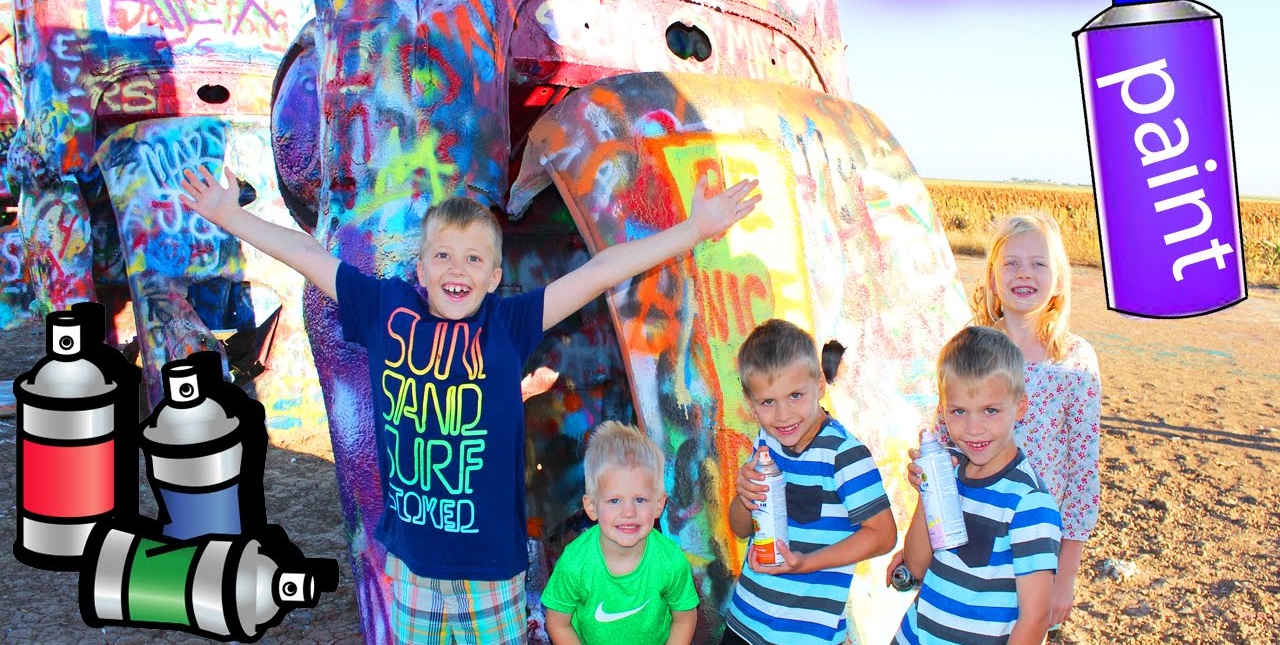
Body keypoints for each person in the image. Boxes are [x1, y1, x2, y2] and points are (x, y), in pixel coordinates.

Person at [179, 164, 759, 644]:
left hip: (491, 573)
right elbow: (306, 255)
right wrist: (229, 215)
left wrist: (693, 229)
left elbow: (602, 270)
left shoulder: (508, 324)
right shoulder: (387, 308)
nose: (458, 269)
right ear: (421, 268)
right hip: (411, 566)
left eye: (474, 259)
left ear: (494, 275)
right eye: (444, 257)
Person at [887, 211, 1101, 631]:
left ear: (1058, 279)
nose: (1025, 273)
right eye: (1012, 263)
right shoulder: (970, 346)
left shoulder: (1075, 362)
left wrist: (1066, 575)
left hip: (1030, 546)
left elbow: (1082, 477)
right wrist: (921, 537)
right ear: (993, 276)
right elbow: (943, 444)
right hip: (966, 528)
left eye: (1039, 263)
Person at [724, 319, 897, 645]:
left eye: (795, 395)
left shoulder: (843, 454)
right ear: (750, 403)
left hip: (805, 635)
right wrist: (744, 494)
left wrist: (808, 563)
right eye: (768, 402)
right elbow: (741, 528)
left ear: (820, 385)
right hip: (745, 619)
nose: (783, 415)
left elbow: (884, 535)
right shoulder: (766, 440)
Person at [893, 326, 1062, 645]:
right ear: (942, 410)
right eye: (959, 411)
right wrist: (927, 493)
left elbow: (1035, 615)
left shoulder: (1029, 504)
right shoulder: (950, 475)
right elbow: (916, 566)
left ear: (1020, 406)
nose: (973, 429)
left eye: (990, 411)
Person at [541, 421, 699, 645]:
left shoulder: (670, 561)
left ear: (658, 504)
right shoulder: (575, 563)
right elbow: (558, 623)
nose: (628, 512)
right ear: (592, 507)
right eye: (614, 500)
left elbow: (684, 619)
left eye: (640, 499)